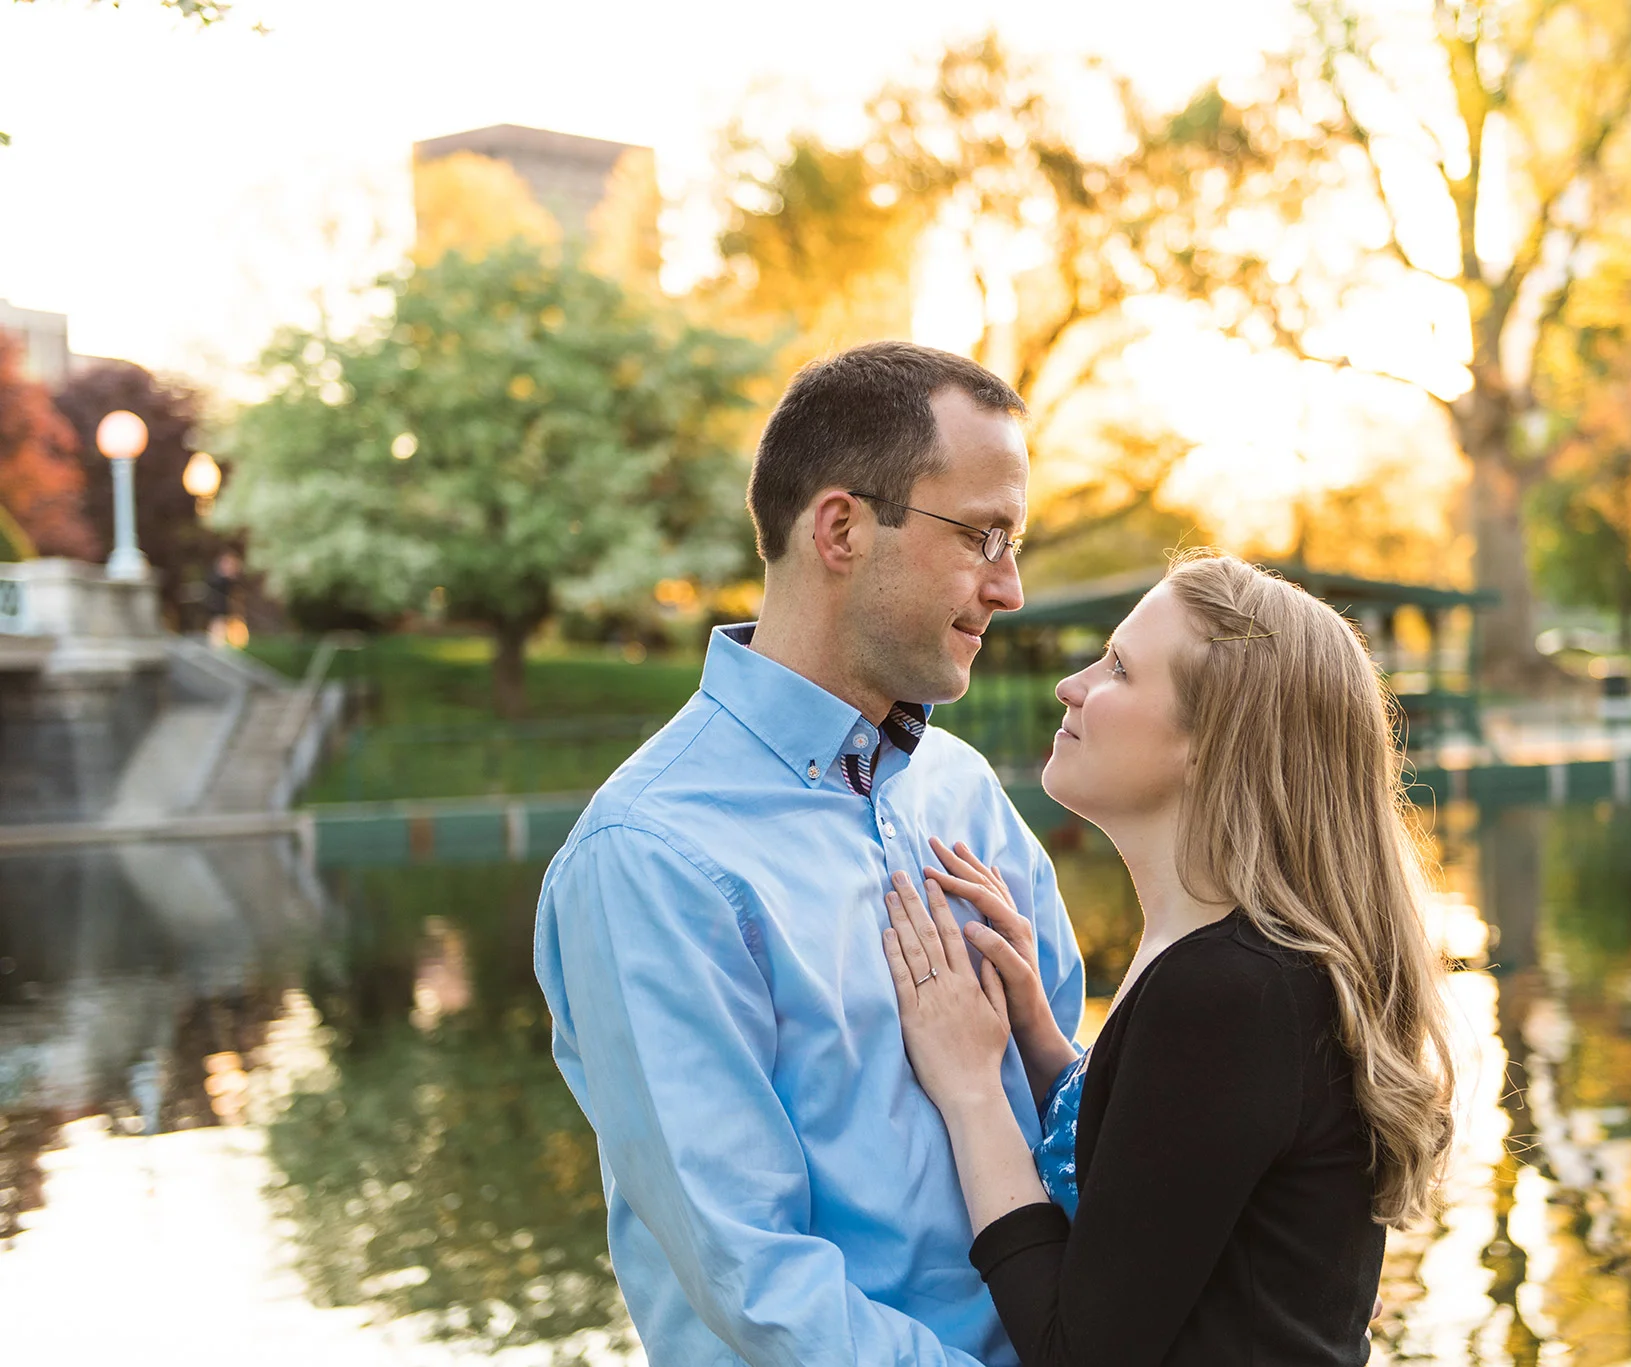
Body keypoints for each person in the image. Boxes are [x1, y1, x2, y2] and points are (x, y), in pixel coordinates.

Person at [533, 342, 1087, 1366]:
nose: (1008, 588)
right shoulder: (650, 858)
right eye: (982, 536)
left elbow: (1067, 1140)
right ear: (840, 528)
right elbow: (756, 1273)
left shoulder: (961, 792)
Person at [880, 552, 1455, 1365]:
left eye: (1117, 667)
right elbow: (1163, 1169)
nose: (1070, 685)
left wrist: (972, 1086)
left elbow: (1077, 1351)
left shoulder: (1230, 993)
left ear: (1211, 742)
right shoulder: (1221, 962)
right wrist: (1038, 1038)